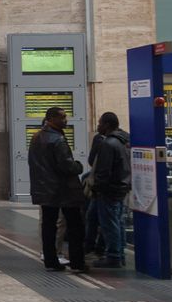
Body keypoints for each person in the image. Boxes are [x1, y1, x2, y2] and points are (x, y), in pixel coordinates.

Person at [28, 107, 88, 273]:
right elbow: (67, 166)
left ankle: (50, 261)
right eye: (62, 117)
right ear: (51, 118)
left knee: (48, 225)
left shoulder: (36, 137)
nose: (65, 120)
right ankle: (77, 262)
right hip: (64, 190)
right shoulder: (57, 140)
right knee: (75, 225)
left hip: (45, 188)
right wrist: (79, 166)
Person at [88, 112, 131, 268]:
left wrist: (97, 188)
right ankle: (120, 253)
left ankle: (113, 256)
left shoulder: (108, 143)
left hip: (109, 189)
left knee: (109, 223)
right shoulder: (124, 140)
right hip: (121, 187)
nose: (97, 125)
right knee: (118, 221)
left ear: (106, 124)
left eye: (99, 123)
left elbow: (103, 170)